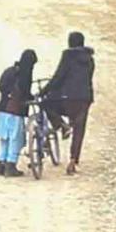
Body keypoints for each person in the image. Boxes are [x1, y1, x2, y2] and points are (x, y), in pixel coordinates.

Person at [41, 30, 98, 170]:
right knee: (79, 128)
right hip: (85, 98)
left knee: (46, 104)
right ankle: (73, 160)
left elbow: (59, 77)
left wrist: (45, 91)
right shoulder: (90, 59)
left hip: (67, 97)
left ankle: (61, 126)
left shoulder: (68, 55)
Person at [0, 48, 39, 175]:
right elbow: (24, 92)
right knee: (15, 138)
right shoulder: (25, 74)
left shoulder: (10, 70)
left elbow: (0, 86)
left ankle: (0, 164)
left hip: (2, 108)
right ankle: (11, 165)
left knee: (4, 138)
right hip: (15, 110)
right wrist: (31, 98)